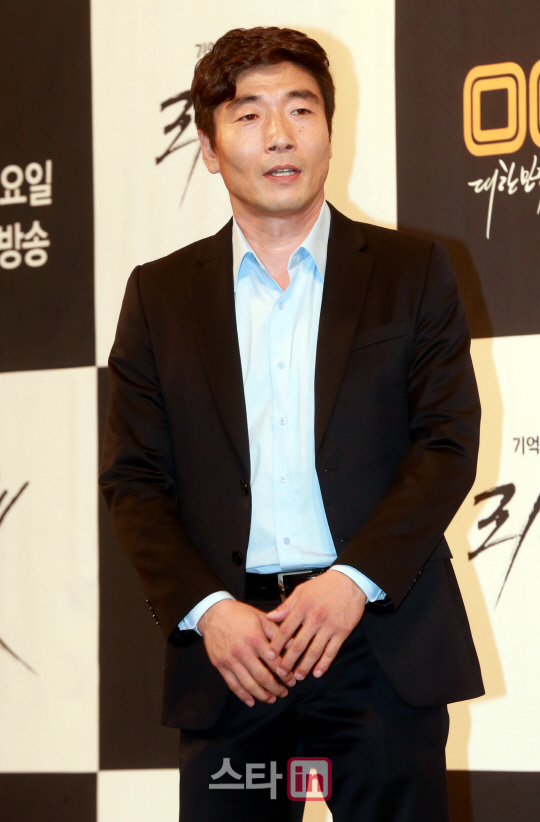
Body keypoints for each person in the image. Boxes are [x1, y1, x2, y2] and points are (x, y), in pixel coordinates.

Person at [99, 26, 484, 822]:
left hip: (379, 644)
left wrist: (352, 581)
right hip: (233, 656)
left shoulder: (413, 272)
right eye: (249, 114)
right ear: (209, 148)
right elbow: (133, 480)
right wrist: (209, 610)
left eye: (300, 109)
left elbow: (445, 444)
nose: (279, 134)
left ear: (329, 131)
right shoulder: (159, 297)